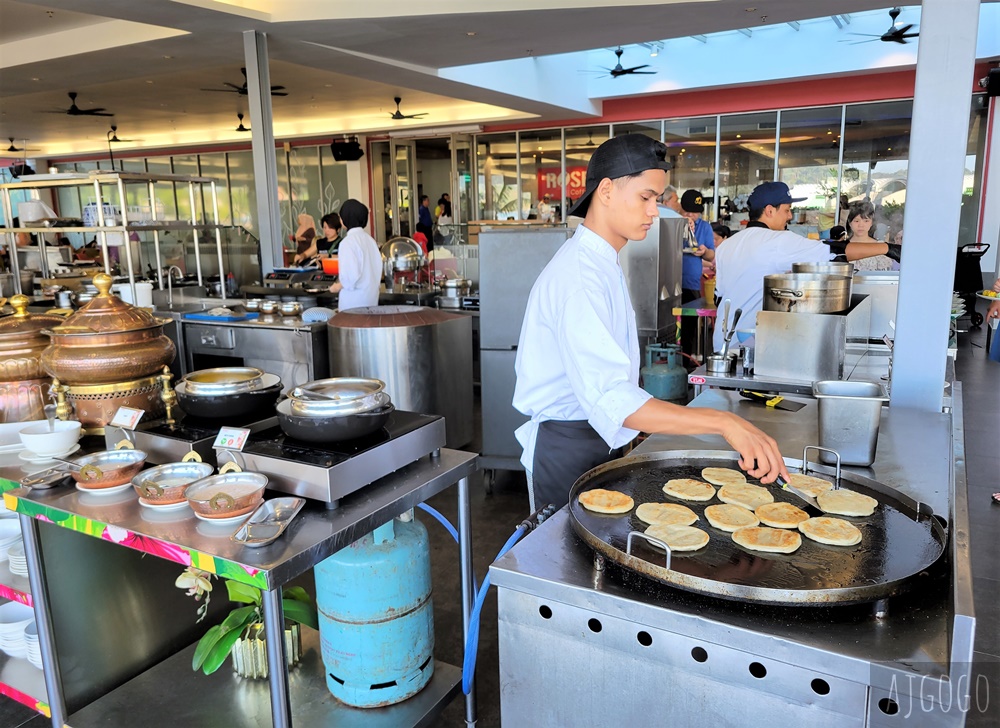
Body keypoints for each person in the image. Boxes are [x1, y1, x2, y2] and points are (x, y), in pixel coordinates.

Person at [513, 134, 789, 510]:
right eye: (646, 197)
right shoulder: (578, 276)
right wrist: (725, 423)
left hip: (598, 440)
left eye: (657, 199)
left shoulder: (603, 262)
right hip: (568, 449)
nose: (654, 211)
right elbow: (613, 400)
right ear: (606, 191)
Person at [713, 181, 900, 352]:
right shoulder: (778, 240)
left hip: (722, 341)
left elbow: (718, 297)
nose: (789, 216)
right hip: (749, 344)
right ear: (770, 210)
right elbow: (834, 251)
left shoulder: (728, 244)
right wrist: (887, 248)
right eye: (787, 210)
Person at [679, 189, 716, 362]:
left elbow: (711, 255)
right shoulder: (675, 223)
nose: (690, 215)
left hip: (691, 284)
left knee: (689, 329)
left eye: (694, 212)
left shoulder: (705, 227)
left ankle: (687, 362)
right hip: (670, 281)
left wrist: (703, 251)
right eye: (686, 211)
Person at [327, 199, 381, 310]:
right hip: (371, 301)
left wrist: (336, 287)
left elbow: (349, 277)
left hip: (353, 305)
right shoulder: (370, 240)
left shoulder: (347, 242)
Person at [846, 201, 893, 272]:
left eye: (866, 221)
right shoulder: (841, 247)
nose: (861, 225)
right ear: (850, 223)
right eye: (856, 221)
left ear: (871, 223)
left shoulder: (880, 247)